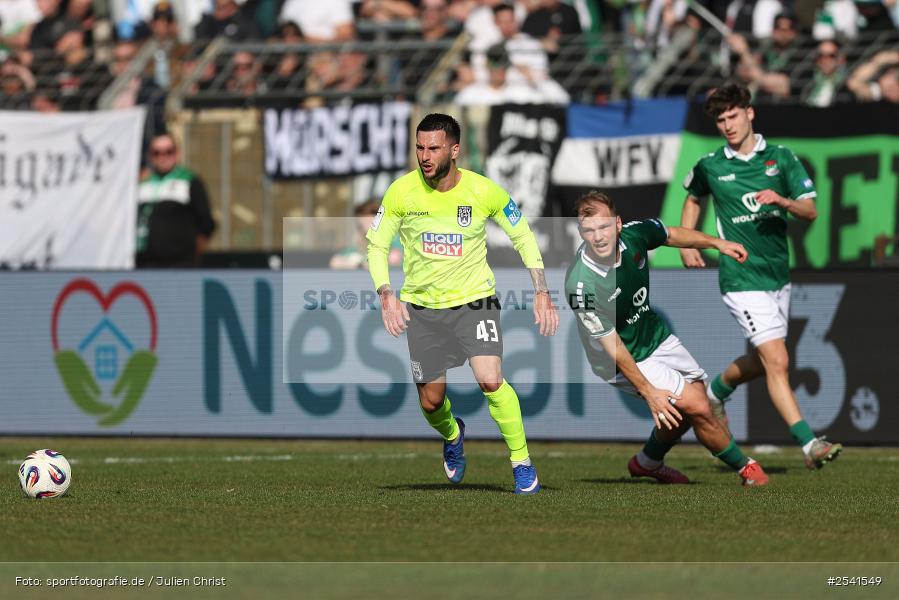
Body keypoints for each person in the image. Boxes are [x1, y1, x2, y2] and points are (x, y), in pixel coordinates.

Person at [366, 113, 560, 494]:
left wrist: (541, 290)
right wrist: (386, 294)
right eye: (420, 147)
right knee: (431, 401)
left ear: (455, 150)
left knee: (490, 378)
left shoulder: (484, 191)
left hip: (475, 301)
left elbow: (522, 233)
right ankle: (453, 435)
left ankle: (521, 462)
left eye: (433, 148)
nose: (424, 155)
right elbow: (376, 245)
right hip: (422, 309)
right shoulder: (401, 192)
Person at [679, 82, 842, 470]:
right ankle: (808, 443)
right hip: (740, 276)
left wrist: (783, 200)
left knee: (762, 361)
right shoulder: (711, 165)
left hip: (777, 275)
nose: (727, 125)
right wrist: (688, 243)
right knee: (779, 360)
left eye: (732, 116)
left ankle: (717, 391)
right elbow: (692, 198)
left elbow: (810, 210)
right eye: (720, 120)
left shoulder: (782, 159)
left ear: (750, 113)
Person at [566, 191, 769, 487]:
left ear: (618, 224)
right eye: (589, 230)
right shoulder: (582, 284)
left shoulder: (634, 236)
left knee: (686, 411)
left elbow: (670, 234)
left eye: (604, 226)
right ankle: (748, 469)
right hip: (621, 358)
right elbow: (614, 347)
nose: (598, 236)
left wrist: (717, 243)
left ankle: (647, 462)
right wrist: (649, 392)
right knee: (699, 406)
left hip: (654, 334)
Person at [136, 133, 216, 268]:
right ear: (150, 156)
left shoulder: (190, 181)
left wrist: (191, 254)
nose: (163, 157)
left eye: (168, 151)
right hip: (146, 264)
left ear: (177, 153)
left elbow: (207, 223)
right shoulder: (142, 184)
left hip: (180, 264)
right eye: (157, 153)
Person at [330, 200, 402, 270]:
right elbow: (335, 262)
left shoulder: (395, 238)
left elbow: (393, 259)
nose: (361, 225)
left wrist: (359, 262)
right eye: (359, 223)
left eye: (365, 220)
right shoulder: (364, 240)